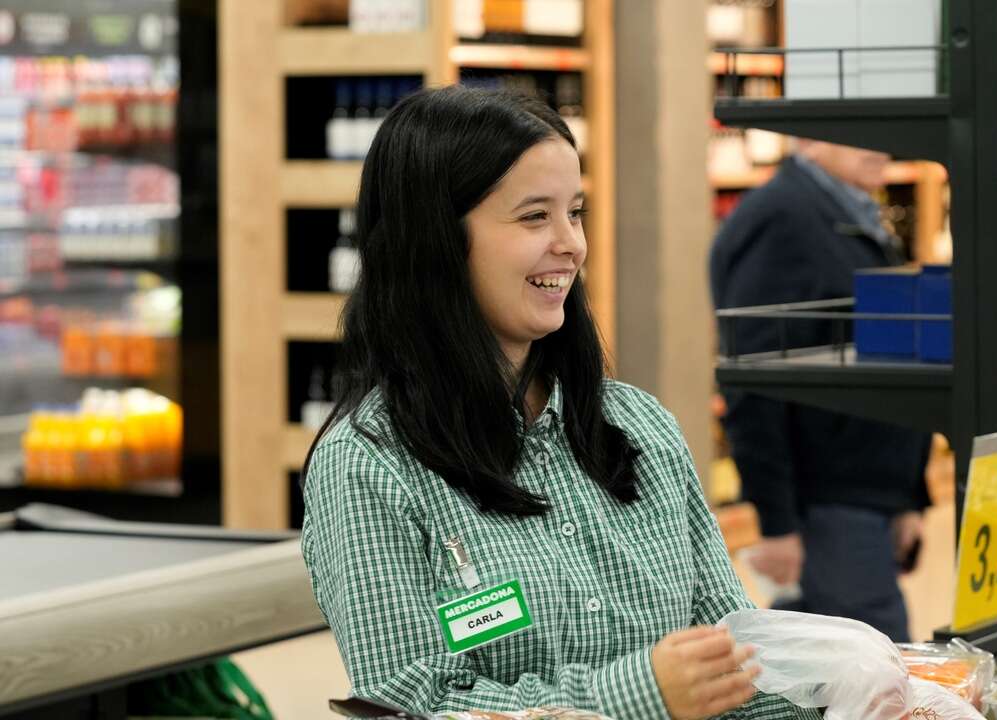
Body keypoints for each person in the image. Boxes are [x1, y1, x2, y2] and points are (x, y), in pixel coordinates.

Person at [301, 86, 815, 720]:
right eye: (533, 216)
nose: (571, 244)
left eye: (575, 212)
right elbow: (413, 704)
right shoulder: (369, 466)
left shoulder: (638, 425)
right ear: (434, 240)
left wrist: (859, 699)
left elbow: (732, 661)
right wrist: (641, 695)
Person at [709, 139, 933, 643]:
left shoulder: (847, 210)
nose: (880, 142)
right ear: (808, 135)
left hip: (867, 500)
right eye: (857, 126)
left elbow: (884, 349)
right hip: (828, 507)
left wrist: (906, 494)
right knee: (875, 675)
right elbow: (753, 379)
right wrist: (777, 523)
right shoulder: (783, 220)